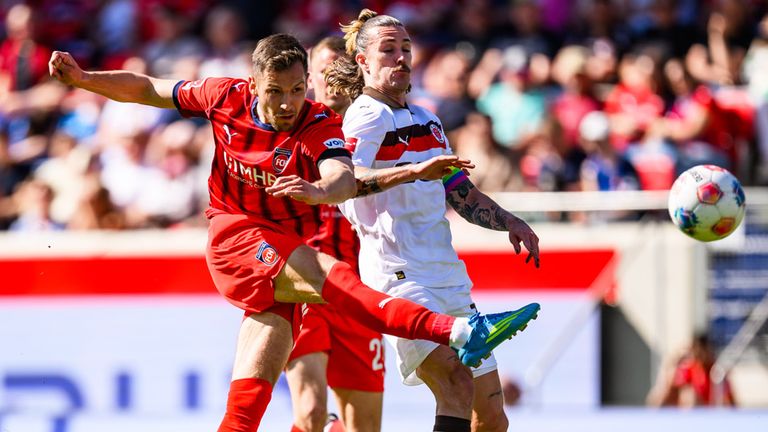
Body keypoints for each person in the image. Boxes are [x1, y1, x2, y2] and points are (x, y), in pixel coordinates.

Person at [48, 33, 540, 432]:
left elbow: (342, 177)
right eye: (277, 91)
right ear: (254, 82)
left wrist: (322, 188)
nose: (288, 103)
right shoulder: (226, 96)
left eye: (299, 89)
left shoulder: (322, 123)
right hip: (242, 237)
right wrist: (85, 79)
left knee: (260, 405)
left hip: (297, 267)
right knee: (312, 392)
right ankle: (455, 329)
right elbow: (148, 89)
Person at [326, 10, 541, 432]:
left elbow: (461, 194)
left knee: (492, 419)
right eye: (388, 50)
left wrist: (511, 221)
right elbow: (345, 182)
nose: (401, 58)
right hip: (399, 276)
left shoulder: (428, 119)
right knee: (454, 383)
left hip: (448, 277)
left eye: (405, 49)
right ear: (363, 62)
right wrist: (412, 171)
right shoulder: (365, 116)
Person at [285, 36, 384, 432]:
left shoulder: (375, 134)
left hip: (360, 294)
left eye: (342, 72)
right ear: (309, 78)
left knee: (363, 426)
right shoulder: (289, 133)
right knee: (309, 413)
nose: (333, 80)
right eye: (324, 72)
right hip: (305, 288)